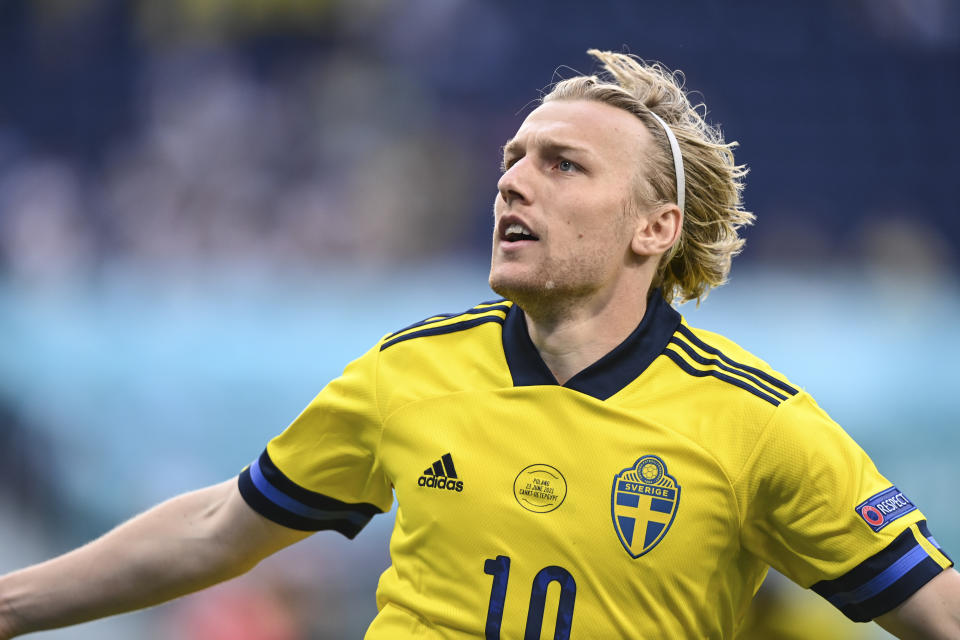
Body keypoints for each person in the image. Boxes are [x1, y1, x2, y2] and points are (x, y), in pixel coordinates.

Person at [0, 49, 957, 639]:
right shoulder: (409, 372)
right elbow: (221, 528)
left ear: (654, 229)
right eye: (511, 160)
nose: (513, 182)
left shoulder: (759, 425)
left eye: (561, 164)